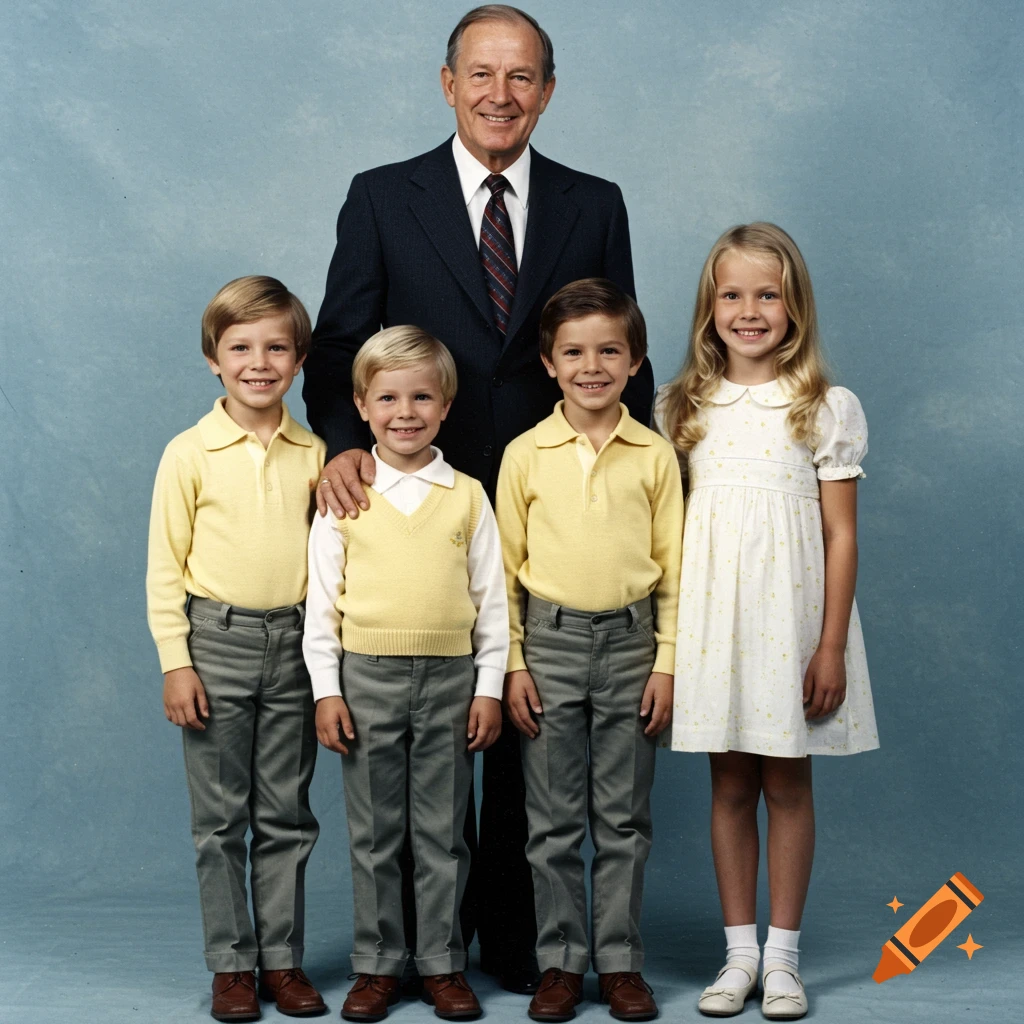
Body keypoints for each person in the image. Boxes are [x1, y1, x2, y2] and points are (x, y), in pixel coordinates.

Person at [302, 5, 653, 992]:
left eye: (523, 77)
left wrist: (648, 479)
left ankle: (515, 940)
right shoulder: (382, 197)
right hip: (420, 497)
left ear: (547, 90)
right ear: (447, 81)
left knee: (522, 721)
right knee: (421, 735)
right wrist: (340, 447)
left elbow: (622, 349)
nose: (502, 96)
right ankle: (414, 944)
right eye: (482, 75)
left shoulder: (594, 202)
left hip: (555, 501)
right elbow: (339, 345)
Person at [657, 224, 879, 1020]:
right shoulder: (681, 406)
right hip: (716, 624)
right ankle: (739, 953)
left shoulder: (823, 406)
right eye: (732, 294)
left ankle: (784, 959)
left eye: (767, 294)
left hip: (794, 626)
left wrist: (828, 645)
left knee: (786, 781)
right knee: (728, 784)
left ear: (794, 305)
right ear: (709, 307)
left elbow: (840, 533)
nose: (749, 311)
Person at [303, 327, 509, 1022]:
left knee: (443, 832)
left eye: (422, 396)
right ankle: (379, 966)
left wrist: (487, 690)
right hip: (366, 681)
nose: (406, 412)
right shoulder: (346, 498)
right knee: (375, 832)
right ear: (362, 406)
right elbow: (322, 608)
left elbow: (494, 606)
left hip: (451, 681)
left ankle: (443, 963)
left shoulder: (469, 497)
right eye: (388, 397)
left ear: (446, 406)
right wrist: (327, 691)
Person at [497, 279, 683, 1022]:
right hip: (548, 646)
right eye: (573, 351)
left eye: (610, 350)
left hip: (633, 647)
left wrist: (667, 661)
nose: (592, 365)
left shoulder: (655, 456)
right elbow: (500, 576)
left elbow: (675, 567)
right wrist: (513, 662)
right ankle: (561, 963)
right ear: (548, 363)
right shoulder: (524, 455)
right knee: (550, 820)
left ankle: (620, 963)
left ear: (636, 362)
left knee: (623, 818)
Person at [146, 276, 327, 1022]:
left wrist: (327, 662)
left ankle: (281, 960)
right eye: (241, 347)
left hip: (294, 643)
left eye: (277, 347)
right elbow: (164, 566)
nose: (260, 362)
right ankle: (232, 964)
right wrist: (176, 661)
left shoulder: (317, 453)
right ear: (214, 360)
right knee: (220, 820)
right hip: (213, 644)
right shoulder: (190, 453)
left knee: (286, 813)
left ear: (300, 359)